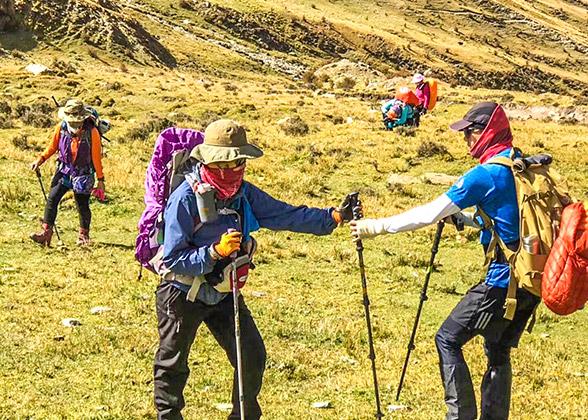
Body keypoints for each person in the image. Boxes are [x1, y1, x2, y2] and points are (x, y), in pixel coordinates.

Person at [154, 119, 356, 420]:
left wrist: (334, 217)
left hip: (222, 293)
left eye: (238, 162)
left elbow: (286, 215)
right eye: (226, 163)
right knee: (173, 364)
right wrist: (214, 252)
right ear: (210, 161)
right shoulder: (184, 199)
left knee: (252, 356)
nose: (234, 170)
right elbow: (172, 257)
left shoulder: (243, 193)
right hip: (182, 293)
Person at [350, 102, 541, 420]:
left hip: (501, 281)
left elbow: (427, 214)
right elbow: (508, 220)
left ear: (485, 132)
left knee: (448, 338)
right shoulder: (517, 163)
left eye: (470, 132)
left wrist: (373, 227)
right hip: (529, 279)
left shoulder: (485, 175)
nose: (466, 140)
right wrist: (467, 220)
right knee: (497, 351)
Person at [29, 99, 105, 246]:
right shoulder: (61, 127)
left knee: (82, 204)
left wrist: (101, 180)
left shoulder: (92, 132)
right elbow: (52, 147)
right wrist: (40, 160)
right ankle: (46, 234)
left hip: (84, 173)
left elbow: (96, 157)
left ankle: (83, 237)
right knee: (52, 199)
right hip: (64, 170)